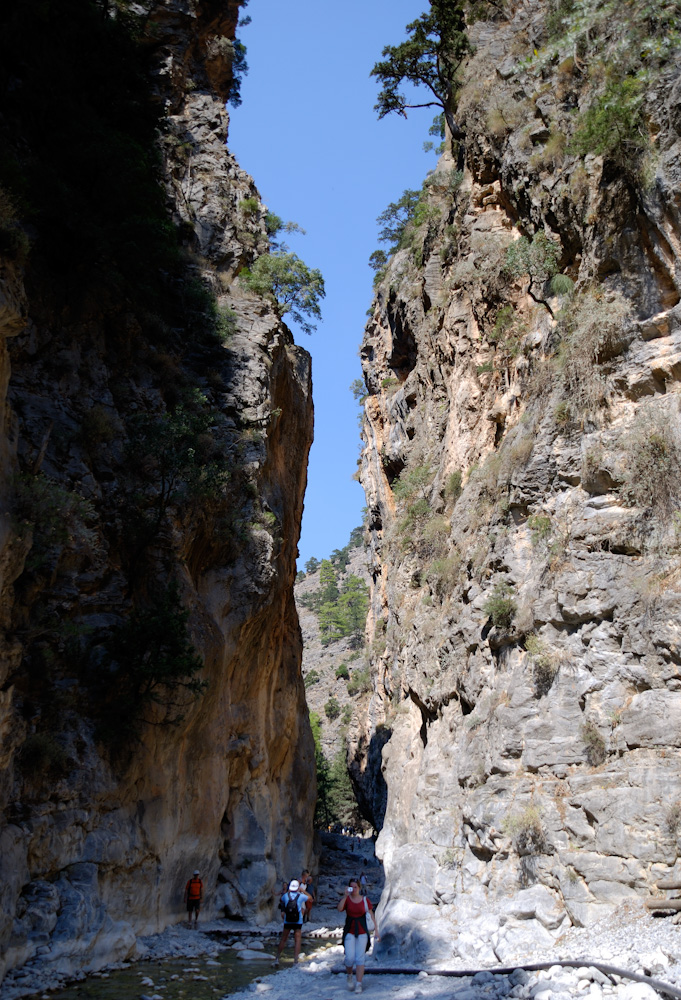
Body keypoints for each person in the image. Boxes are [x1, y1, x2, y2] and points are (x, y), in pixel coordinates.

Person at [338, 877, 379, 993]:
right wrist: (345, 896)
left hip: (362, 931)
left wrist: (377, 931)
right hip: (350, 931)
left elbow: (371, 915)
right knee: (349, 957)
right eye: (352, 887)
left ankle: (359, 984)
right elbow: (340, 908)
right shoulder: (347, 899)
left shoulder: (365, 900)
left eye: (356, 887)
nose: (354, 889)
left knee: (360, 958)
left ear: (360, 888)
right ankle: (349, 975)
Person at [273, 878, 310, 967]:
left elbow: (282, 901)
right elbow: (310, 898)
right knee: (297, 940)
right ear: (297, 888)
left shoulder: (285, 896)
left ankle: (277, 958)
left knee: (284, 939)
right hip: (298, 921)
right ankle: (296, 961)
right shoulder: (300, 896)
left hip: (287, 920)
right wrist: (302, 891)